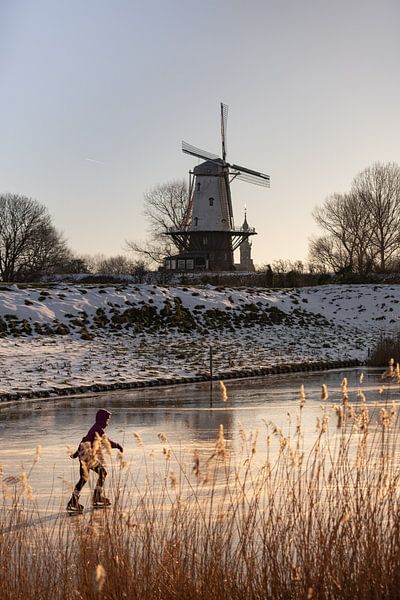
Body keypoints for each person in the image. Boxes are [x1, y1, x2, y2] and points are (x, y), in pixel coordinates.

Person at [66, 408, 123, 511]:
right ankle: (96, 497)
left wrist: (76, 453)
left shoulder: (95, 428)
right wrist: (118, 445)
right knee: (102, 473)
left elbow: (84, 439)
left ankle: (73, 501)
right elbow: (107, 442)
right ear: (100, 419)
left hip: (83, 455)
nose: (107, 423)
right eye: (106, 420)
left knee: (83, 479)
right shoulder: (98, 429)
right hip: (87, 456)